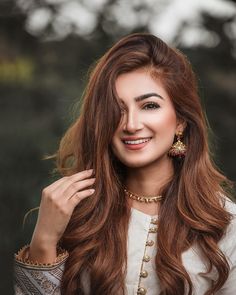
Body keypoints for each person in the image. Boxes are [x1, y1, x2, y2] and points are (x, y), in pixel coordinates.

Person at [14, 33, 236, 295]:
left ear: (180, 120)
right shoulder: (75, 212)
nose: (131, 125)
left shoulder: (224, 224)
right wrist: (44, 240)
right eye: (116, 109)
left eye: (149, 105)